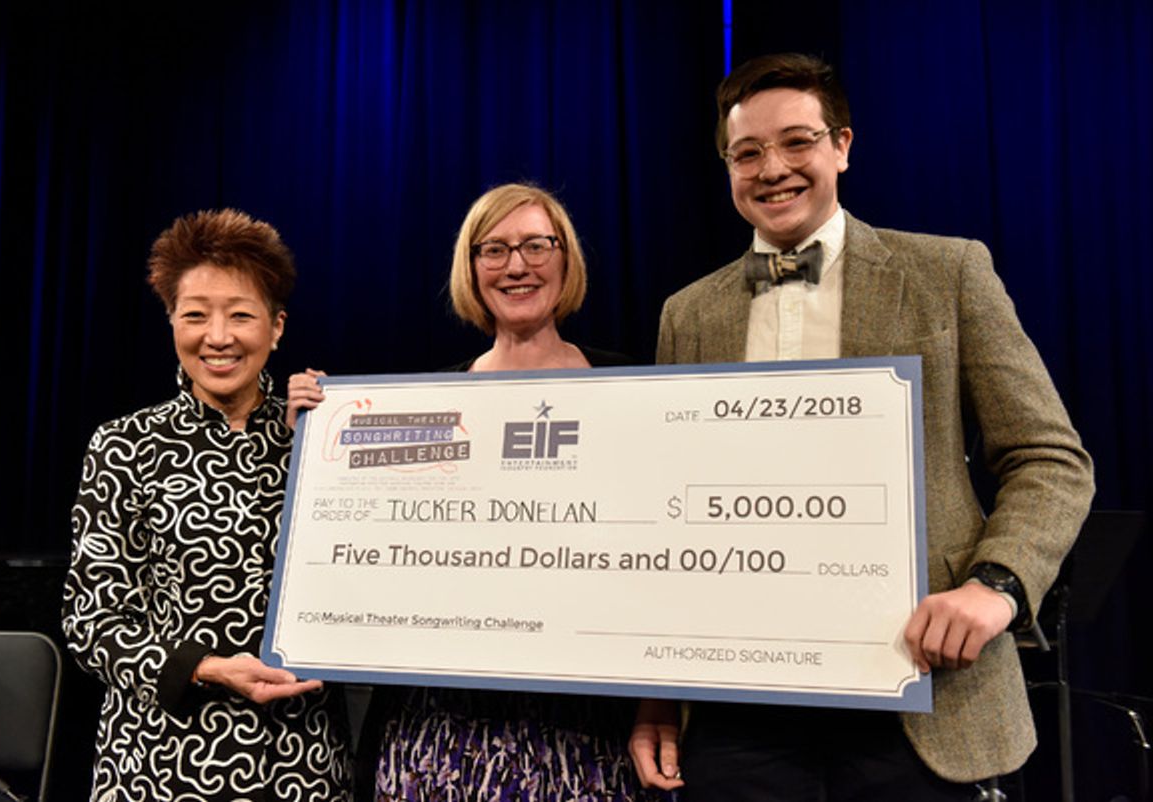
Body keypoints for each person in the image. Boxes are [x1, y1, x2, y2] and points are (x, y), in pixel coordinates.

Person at [628, 53, 1094, 800]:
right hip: (740, 708)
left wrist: (996, 585)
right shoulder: (688, 314)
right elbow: (670, 512)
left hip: (922, 697)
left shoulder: (948, 273)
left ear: (842, 145)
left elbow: (1049, 457)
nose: (771, 167)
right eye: (746, 153)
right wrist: (657, 693)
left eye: (797, 141)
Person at [287, 183, 658, 802]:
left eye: (537, 245)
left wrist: (657, 703)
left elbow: (658, 564)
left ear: (566, 260)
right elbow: (371, 553)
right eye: (494, 249)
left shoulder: (634, 391)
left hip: (583, 733)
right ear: (471, 268)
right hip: (436, 736)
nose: (517, 265)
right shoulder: (427, 404)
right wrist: (323, 428)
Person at [62, 209, 352, 802]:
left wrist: (340, 431)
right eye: (195, 314)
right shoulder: (124, 445)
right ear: (172, 323)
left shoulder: (317, 436)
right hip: (161, 763)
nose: (217, 336)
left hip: (301, 762)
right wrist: (208, 667)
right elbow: (90, 624)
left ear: (276, 328)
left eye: (241, 314)